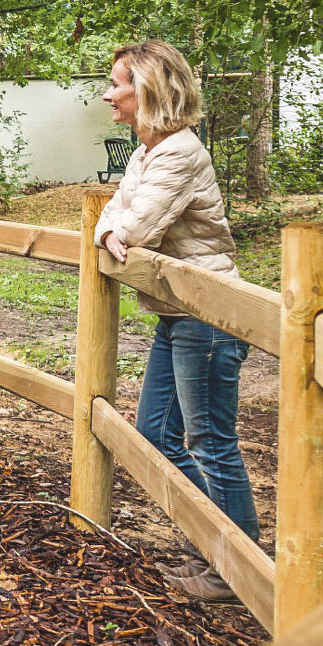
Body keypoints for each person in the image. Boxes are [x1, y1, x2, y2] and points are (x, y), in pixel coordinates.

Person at [95, 39, 254, 604]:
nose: (108, 93)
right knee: (157, 434)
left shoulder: (180, 152)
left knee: (210, 440)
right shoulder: (147, 150)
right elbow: (111, 216)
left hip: (206, 314)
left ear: (149, 91)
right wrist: (109, 231)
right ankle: (212, 543)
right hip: (176, 313)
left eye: (118, 83)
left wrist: (118, 232)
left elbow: (136, 229)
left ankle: (238, 564)